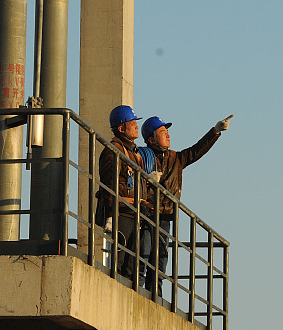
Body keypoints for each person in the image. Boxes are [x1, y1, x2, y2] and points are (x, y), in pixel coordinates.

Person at [136, 113, 233, 297]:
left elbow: (196, 151)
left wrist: (215, 132)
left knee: (161, 261)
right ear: (151, 139)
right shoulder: (140, 157)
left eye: (167, 131)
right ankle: (136, 295)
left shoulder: (175, 159)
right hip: (146, 213)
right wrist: (147, 182)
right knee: (143, 256)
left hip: (165, 216)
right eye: (163, 131)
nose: (168, 135)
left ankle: (155, 298)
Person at [94, 104, 146, 278]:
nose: (137, 126)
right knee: (119, 263)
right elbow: (109, 185)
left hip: (133, 214)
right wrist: (110, 215)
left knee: (132, 267)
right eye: (133, 123)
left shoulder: (133, 153)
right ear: (121, 128)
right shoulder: (113, 152)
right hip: (121, 214)